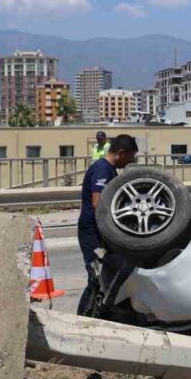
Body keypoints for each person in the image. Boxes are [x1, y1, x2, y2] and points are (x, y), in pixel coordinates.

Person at [76, 134, 138, 314]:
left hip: (99, 230)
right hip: (92, 231)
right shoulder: (102, 169)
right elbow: (98, 202)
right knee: (95, 277)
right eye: (130, 157)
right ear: (121, 153)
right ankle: (82, 319)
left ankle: (104, 313)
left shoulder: (110, 170)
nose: (129, 162)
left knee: (110, 274)